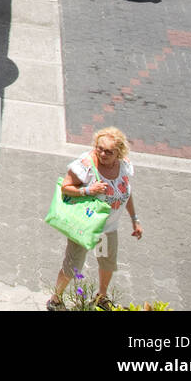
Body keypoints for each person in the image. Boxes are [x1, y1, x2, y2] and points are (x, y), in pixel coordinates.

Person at [46, 127, 141, 311]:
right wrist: (89, 190)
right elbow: (65, 187)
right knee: (73, 265)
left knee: (107, 262)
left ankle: (101, 297)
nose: (103, 154)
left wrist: (135, 220)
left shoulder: (123, 166)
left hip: (107, 229)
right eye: (99, 148)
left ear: (119, 152)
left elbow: (126, 194)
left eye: (109, 151)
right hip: (85, 227)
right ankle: (55, 300)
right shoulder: (86, 166)